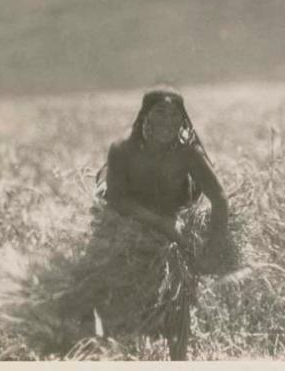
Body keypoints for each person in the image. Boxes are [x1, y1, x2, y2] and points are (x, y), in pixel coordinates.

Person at [88, 87, 229, 360]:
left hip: (172, 230)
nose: (167, 122)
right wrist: (163, 225)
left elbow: (219, 197)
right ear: (145, 118)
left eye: (174, 116)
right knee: (113, 299)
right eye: (160, 113)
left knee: (177, 295)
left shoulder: (188, 154)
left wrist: (216, 242)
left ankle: (179, 360)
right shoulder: (121, 150)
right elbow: (118, 199)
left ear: (182, 121)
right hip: (128, 222)